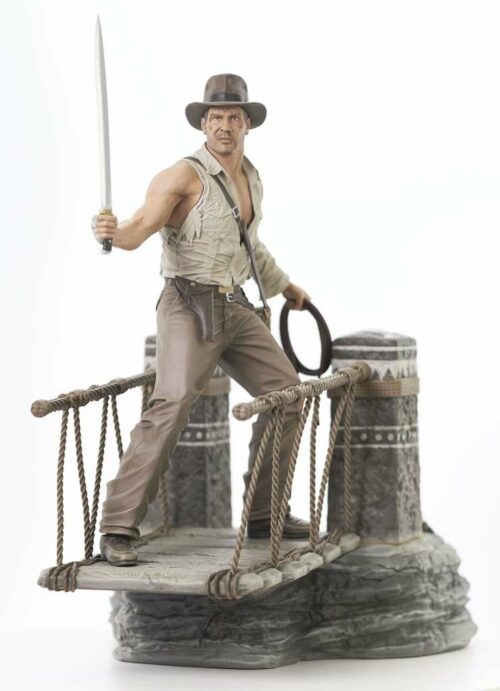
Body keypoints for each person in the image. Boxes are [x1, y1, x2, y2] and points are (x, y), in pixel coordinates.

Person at [93, 74, 311, 565]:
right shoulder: (182, 177)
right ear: (204, 124)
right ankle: (118, 527)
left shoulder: (250, 177)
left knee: (287, 394)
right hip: (187, 304)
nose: (224, 126)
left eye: (233, 117)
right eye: (216, 118)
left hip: (234, 306)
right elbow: (138, 228)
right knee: (171, 403)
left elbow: (249, 244)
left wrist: (284, 286)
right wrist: (112, 232)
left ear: (247, 124)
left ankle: (264, 515)